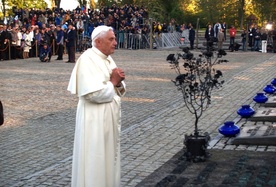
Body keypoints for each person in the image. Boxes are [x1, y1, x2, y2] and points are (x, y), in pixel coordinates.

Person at [67, 25, 126, 187]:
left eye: (114, 38)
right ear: (98, 41)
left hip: (107, 120)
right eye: (111, 39)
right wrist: (114, 82)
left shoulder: (107, 57)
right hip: (94, 121)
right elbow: (92, 94)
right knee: (95, 160)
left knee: (108, 159)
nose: (115, 43)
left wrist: (118, 83)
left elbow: (117, 87)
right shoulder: (87, 59)